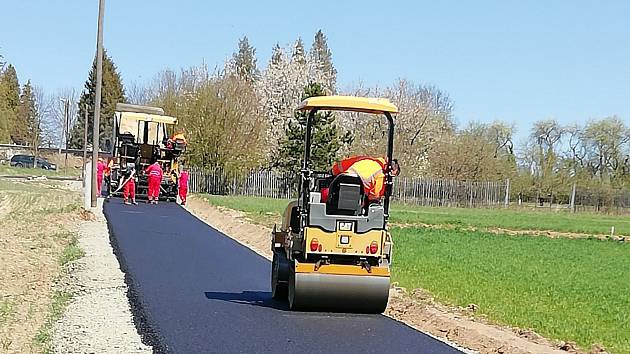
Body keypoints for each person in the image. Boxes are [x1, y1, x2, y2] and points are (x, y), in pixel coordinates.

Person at [325, 156, 400, 203]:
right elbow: (375, 196)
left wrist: (332, 171)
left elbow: (342, 165)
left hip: (339, 183)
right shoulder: (381, 175)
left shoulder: (364, 159)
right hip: (356, 196)